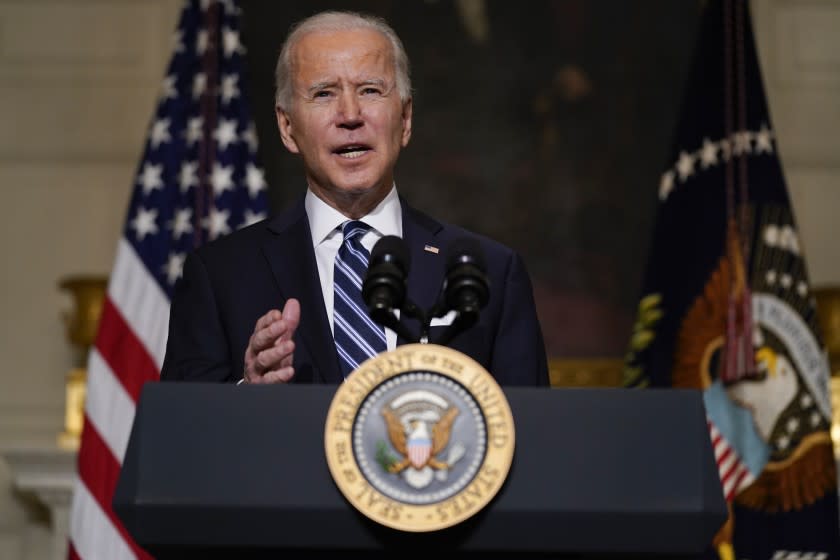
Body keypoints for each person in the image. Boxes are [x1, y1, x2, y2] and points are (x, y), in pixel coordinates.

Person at [160, 10, 549, 386]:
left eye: (370, 90)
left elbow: (531, 437)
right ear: (287, 126)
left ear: (406, 119)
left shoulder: (491, 274)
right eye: (324, 93)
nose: (350, 114)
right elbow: (182, 439)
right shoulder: (220, 276)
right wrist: (248, 394)